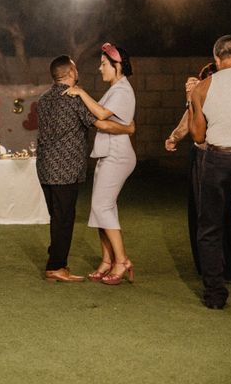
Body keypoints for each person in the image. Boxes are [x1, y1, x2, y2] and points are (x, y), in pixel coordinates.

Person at [37, 55, 135, 282]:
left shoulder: (43, 99)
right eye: (76, 68)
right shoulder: (73, 99)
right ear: (70, 73)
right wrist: (128, 128)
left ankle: (64, 261)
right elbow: (100, 123)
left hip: (44, 166)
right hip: (66, 168)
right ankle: (57, 266)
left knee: (56, 217)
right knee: (64, 218)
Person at [64, 43, 136, 285]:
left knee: (102, 207)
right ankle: (107, 261)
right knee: (102, 208)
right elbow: (104, 119)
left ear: (117, 66)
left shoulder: (122, 90)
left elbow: (102, 117)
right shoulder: (116, 89)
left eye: (104, 64)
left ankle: (121, 261)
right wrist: (128, 127)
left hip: (117, 155)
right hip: (109, 154)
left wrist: (81, 92)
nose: (100, 68)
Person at [163, 63, 231, 276]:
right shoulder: (203, 90)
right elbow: (189, 125)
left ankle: (224, 270)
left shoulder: (214, 92)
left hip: (216, 157)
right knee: (206, 215)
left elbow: (197, 132)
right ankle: (214, 268)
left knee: (218, 217)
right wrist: (174, 136)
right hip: (205, 156)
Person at [188, 35, 231, 309]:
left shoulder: (203, 88)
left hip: (218, 159)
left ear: (217, 59)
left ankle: (216, 296)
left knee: (210, 228)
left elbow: (198, 136)